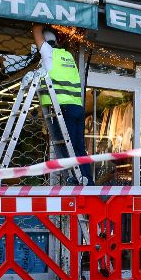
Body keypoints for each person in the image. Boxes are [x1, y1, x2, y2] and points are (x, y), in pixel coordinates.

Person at [33, 24, 91, 185]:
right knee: (78, 148)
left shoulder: (48, 53)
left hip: (63, 109)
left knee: (67, 148)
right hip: (77, 108)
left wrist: (39, 21)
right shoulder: (68, 56)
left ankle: (76, 180)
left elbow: (36, 31)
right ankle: (88, 181)